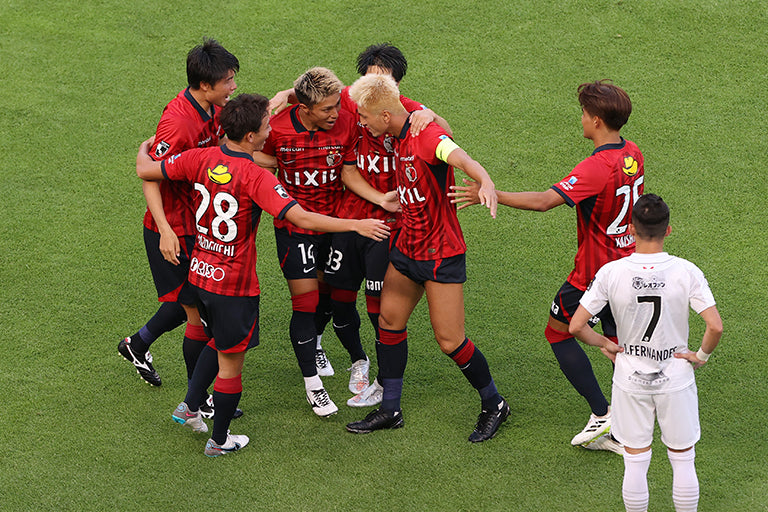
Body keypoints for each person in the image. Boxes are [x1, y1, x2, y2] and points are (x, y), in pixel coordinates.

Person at [136, 93, 390, 456]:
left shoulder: (199, 157)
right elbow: (300, 218)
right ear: (252, 138)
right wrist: (356, 225)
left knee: (214, 340)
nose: (272, 130)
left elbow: (147, 170)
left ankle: (189, 407)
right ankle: (220, 440)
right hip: (233, 286)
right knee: (230, 364)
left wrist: (143, 149)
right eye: (267, 127)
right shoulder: (255, 177)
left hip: (198, 273)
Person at [450, 79, 644, 452]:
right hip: (628, 263)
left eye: (585, 114)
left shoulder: (596, 167)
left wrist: (489, 193)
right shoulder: (632, 152)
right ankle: (638, 413)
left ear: (598, 121)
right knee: (619, 340)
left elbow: (543, 201)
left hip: (594, 275)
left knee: (558, 332)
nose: (582, 119)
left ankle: (604, 416)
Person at [269, 43, 453, 408]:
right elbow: (312, 98)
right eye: (369, 78)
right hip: (350, 218)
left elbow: (446, 133)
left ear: (396, 85)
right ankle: (337, 351)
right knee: (335, 294)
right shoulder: (348, 104)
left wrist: (430, 114)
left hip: (388, 227)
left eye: (383, 80)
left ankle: (383, 380)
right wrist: (284, 94)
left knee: (378, 306)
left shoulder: (407, 112)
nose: (373, 87)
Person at [343, 74, 509, 443]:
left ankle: (494, 403)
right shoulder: (397, 128)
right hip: (406, 249)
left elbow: (462, 158)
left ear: (385, 116)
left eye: (366, 117)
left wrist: (486, 182)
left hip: (441, 255)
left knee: (450, 340)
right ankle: (391, 408)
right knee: (389, 321)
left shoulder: (427, 137)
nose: (362, 122)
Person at [257, 67, 398, 417]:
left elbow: (348, 171)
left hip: (335, 225)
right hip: (296, 229)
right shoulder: (278, 128)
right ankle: (313, 385)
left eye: (337, 106)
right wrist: (265, 160)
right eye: (327, 109)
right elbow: (256, 153)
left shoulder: (346, 123)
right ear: (305, 109)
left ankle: (335, 352)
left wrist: (380, 200)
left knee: (329, 297)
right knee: (304, 304)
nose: (336, 113)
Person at [569, 194, 723, 512]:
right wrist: (700, 356)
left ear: (631, 228)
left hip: (629, 379)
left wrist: (605, 344)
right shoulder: (686, 271)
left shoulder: (612, 273)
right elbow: (715, 327)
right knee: (682, 461)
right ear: (668, 231)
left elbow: (576, 326)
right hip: (676, 378)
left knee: (636, 462)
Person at [118, 39, 239, 390]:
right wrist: (165, 231)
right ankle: (199, 398)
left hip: (199, 223)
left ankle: (137, 344)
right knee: (198, 315)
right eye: (228, 81)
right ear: (205, 85)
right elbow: (149, 175)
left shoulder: (215, 108)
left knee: (190, 301)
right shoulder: (179, 124)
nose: (233, 86)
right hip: (173, 230)